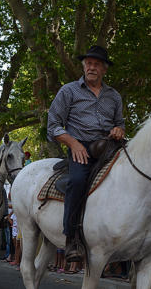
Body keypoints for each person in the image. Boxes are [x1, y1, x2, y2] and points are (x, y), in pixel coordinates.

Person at [47, 45, 125, 262]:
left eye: (97, 64)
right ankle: (71, 238)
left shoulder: (114, 96)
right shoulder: (69, 91)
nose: (92, 67)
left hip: (108, 146)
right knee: (78, 180)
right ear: (83, 66)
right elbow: (53, 125)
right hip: (79, 146)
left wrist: (119, 130)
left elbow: (120, 123)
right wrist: (73, 143)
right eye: (89, 63)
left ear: (104, 69)